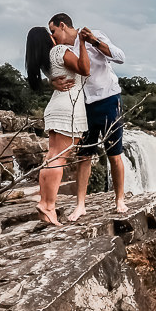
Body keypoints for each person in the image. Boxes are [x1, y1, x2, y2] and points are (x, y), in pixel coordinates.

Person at [45, 13, 127, 220]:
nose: (52, 37)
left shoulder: (93, 35)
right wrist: (51, 82)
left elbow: (120, 57)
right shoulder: (61, 51)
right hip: (83, 106)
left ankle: (120, 200)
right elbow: (53, 72)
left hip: (109, 99)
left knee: (114, 154)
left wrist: (95, 42)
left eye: (53, 31)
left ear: (63, 26)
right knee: (84, 156)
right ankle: (80, 205)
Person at [25, 23, 90, 225]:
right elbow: (84, 69)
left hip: (55, 106)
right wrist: (82, 45)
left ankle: (44, 202)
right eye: (50, 33)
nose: (54, 35)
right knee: (59, 159)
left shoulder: (43, 61)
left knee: (51, 156)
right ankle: (48, 205)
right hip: (69, 107)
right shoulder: (59, 51)